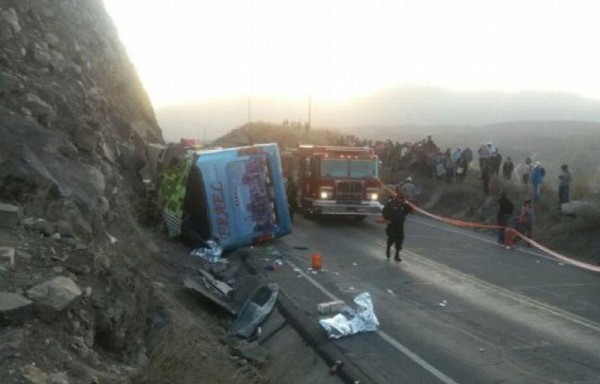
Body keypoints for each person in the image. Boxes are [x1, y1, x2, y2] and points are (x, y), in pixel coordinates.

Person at [382, 187, 413, 261]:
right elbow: (384, 211)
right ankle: (388, 249)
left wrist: (407, 204)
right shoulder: (391, 204)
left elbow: (410, 211)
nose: (400, 200)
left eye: (402, 198)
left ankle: (397, 255)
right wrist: (387, 219)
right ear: (397, 197)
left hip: (400, 224)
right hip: (392, 224)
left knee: (399, 239)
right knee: (391, 238)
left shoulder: (404, 205)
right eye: (400, 198)